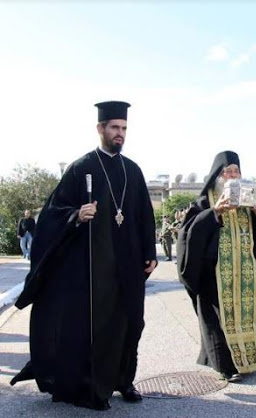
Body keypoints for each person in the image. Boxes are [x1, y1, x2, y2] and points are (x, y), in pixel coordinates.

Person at [11, 101, 157, 410]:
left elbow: (145, 215)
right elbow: (51, 214)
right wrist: (77, 214)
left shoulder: (133, 170)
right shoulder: (81, 168)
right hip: (91, 268)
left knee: (131, 322)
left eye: (124, 129)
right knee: (95, 327)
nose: (120, 134)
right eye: (115, 128)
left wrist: (149, 252)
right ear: (100, 129)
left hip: (128, 265)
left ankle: (123, 380)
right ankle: (90, 387)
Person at [176, 151, 256, 381]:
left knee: (244, 315)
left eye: (236, 171)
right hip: (215, 273)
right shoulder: (206, 199)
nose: (232, 175)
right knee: (218, 319)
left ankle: (247, 360)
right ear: (218, 175)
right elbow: (188, 232)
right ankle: (227, 365)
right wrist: (215, 212)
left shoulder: (248, 198)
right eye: (227, 171)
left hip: (245, 271)